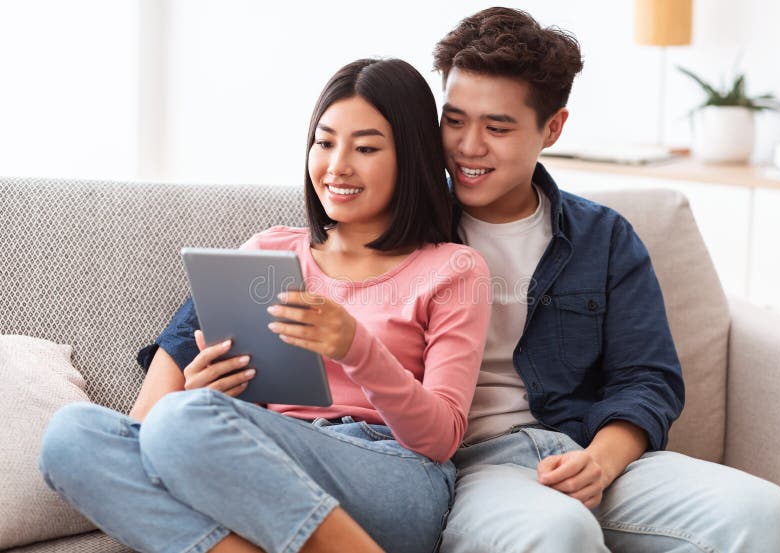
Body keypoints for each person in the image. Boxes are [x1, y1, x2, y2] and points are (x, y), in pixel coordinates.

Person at [38, 58, 491, 553]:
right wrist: (208, 391)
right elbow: (210, 423)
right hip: (265, 467)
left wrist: (357, 348)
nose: (338, 164)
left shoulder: (454, 269)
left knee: (180, 421)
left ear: (411, 157)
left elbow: (441, 438)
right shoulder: (269, 253)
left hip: (395, 474)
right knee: (71, 435)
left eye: (365, 147)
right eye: (324, 142)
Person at [430, 7, 780, 553]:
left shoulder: (603, 239)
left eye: (497, 127)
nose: (467, 146)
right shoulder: (408, 228)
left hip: (587, 448)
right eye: (455, 120)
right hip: (475, 469)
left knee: (767, 514)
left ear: (552, 128)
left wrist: (598, 464)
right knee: (560, 531)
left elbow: (647, 379)